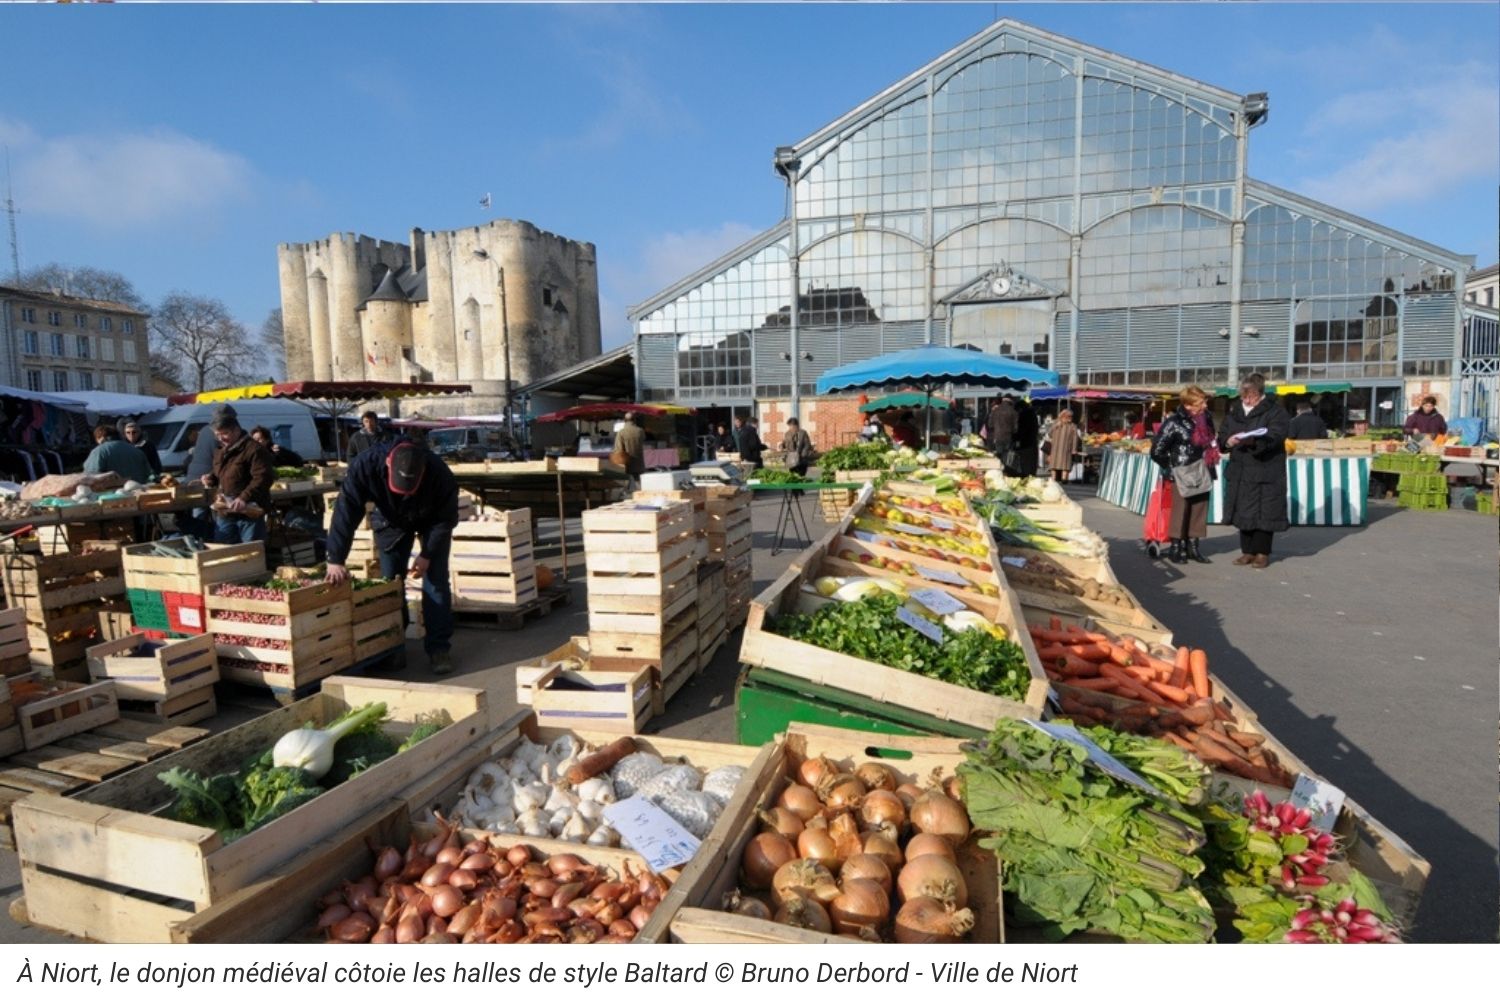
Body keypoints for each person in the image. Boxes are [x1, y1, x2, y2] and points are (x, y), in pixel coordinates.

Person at [326, 440, 458, 674]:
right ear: (387, 464)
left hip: (432, 521)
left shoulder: (440, 473)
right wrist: (336, 559)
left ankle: (439, 648)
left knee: (436, 582)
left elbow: (446, 518)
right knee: (391, 584)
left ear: (423, 471)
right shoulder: (365, 465)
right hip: (390, 520)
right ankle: (394, 646)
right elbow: (347, 510)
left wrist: (427, 554)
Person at [1219, 373, 1291, 569]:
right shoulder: (1235, 412)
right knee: (1244, 511)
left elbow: (1277, 435)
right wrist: (1227, 441)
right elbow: (1223, 435)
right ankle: (1247, 551)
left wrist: (1255, 441)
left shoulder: (1275, 412)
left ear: (1260, 394)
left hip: (1265, 469)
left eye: (1250, 396)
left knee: (1264, 512)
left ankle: (1262, 553)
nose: (1246, 400)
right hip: (1241, 469)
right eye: (1244, 395)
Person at [1150, 386, 1219, 565]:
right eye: (1200, 402)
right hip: (1182, 470)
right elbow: (1157, 450)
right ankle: (1176, 547)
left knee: (1199, 508)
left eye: (1204, 401)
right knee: (1181, 509)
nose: (1205, 405)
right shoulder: (1173, 422)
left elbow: (1211, 440)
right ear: (1188, 405)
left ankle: (1193, 547)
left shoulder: (1207, 418)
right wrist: (1171, 468)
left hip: (1202, 468)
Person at [202, 411, 274, 544]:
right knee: (224, 552)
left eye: (225, 433)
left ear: (236, 430)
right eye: (217, 435)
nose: (221, 438)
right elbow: (223, 472)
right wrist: (211, 478)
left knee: (251, 553)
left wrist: (244, 497)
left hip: (249, 512)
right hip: (225, 510)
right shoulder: (221, 450)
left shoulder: (254, 449)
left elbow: (263, 477)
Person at [83, 424, 155, 483]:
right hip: (139, 492)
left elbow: (90, 476)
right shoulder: (137, 450)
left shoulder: (99, 451)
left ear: (101, 438)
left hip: (111, 496)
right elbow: (149, 474)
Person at [1044, 409, 1081, 482]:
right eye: (1068, 416)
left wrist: (1074, 449)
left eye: (1071, 416)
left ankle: (1064, 479)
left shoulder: (1072, 426)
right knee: (1054, 465)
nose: (1070, 418)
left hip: (1066, 448)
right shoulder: (1056, 424)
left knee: (1065, 465)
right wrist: (1055, 426)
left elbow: (1075, 438)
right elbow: (1049, 434)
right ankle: (1054, 479)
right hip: (1055, 448)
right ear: (1063, 416)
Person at [613, 411, 646, 488]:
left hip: (626, 462)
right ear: (634, 420)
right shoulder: (640, 431)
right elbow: (643, 440)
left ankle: (626, 493)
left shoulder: (621, 432)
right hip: (639, 461)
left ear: (624, 420)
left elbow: (618, 448)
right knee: (639, 482)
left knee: (626, 482)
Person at [986, 397, 1018, 465]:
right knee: (1007, 457)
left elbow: (990, 425)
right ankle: (1007, 470)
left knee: (999, 455)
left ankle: (1000, 469)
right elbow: (1016, 428)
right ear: (1010, 402)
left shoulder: (995, 410)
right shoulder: (1013, 411)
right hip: (1008, 437)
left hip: (997, 436)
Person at [1014, 397, 1040, 477]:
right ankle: (1031, 475)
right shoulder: (1032, 414)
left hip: (1026, 444)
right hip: (1032, 442)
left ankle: (1027, 476)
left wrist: (1014, 437)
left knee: (1025, 465)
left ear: (1020, 408)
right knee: (1031, 463)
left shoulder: (1025, 415)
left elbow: (1022, 430)